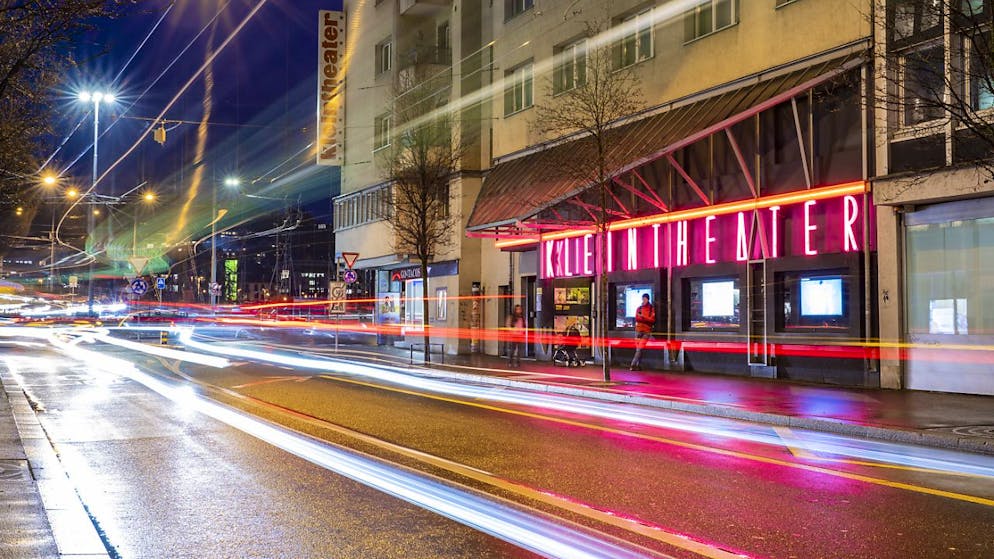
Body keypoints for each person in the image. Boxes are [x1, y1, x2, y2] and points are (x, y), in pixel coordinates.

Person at [630, 294, 655, 371]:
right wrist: (646, 319)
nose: (643, 301)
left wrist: (643, 317)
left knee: (640, 348)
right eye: (642, 299)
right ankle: (638, 365)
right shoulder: (639, 308)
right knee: (639, 349)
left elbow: (652, 320)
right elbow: (637, 318)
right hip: (638, 331)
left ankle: (633, 365)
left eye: (644, 299)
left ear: (648, 299)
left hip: (646, 331)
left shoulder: (651, 309)